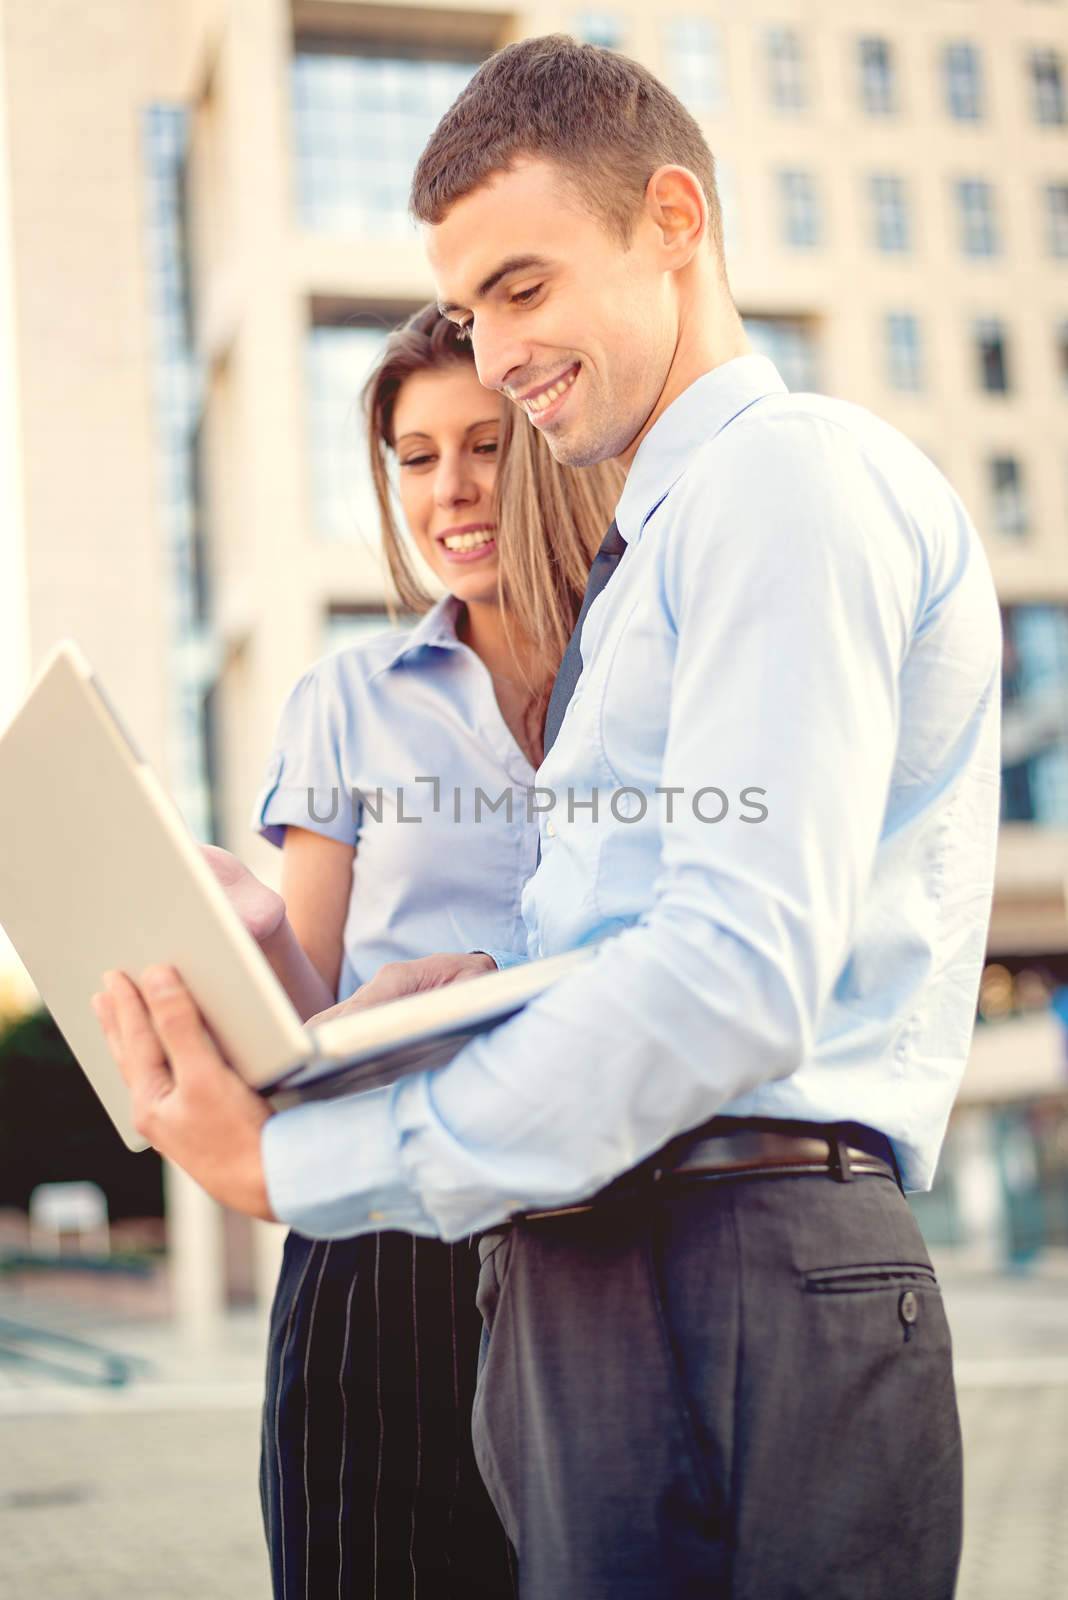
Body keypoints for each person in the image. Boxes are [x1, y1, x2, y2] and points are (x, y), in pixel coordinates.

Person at [94, 35, 1003, 1599]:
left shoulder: (781, 483)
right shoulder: (660, 549)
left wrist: (297, 1172)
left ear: (673, 220)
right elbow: (639, 928)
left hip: (733, 1259)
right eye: (470, 309)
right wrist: (412, 1008)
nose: (499, 351)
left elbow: (732, 968)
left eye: (525, 288)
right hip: (612, 1265)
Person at [197, 301, 620, 1599]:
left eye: (485, 444)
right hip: (381, 1247)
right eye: (417, 455)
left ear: (553, 441)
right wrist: (299, 977)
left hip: (601, 1242)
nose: (452, 490)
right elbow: (301, 1034)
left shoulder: (646, 685)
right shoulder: (345, 702)